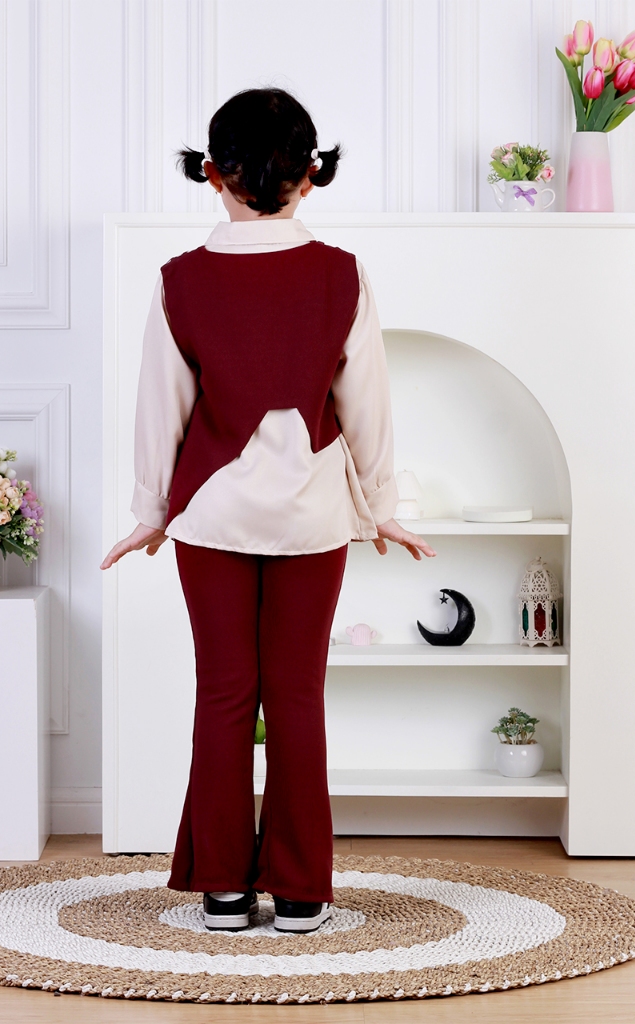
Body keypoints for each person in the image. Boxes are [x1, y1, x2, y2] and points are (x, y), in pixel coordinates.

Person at [101, 88, 435, 933]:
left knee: (223, 693)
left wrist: (151, 510)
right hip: (312, 515)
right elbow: (367, 403)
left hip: (210, 517)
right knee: (295, 696)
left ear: (212, 174)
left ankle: (222, 889)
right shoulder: (341, 274)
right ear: (310, 176)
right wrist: (383, 505)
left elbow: (161, 407)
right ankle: (299, 893)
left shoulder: (181, 280)